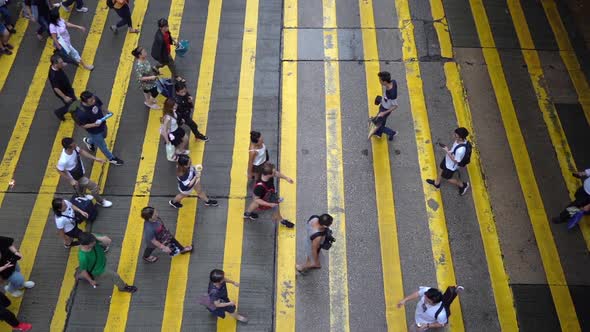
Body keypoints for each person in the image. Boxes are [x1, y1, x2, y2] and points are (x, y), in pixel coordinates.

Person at [56, 137, 113, 206]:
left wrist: (96, 159)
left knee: (79, 187)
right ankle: (100, 201)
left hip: (80, 171)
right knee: (94, 187)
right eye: (74, 145)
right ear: (69, 148)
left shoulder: (74, 149)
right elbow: (59, 170)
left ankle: (82, 196)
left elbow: (81, 151)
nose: (76, 145)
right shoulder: (63, 160)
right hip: (76, 176)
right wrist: (71, 180)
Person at [73, 91, 124, 165]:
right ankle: (111, 158)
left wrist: (107, 111)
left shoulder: (94, 99)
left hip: (102, 123)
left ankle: (89, 141)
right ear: (84, 102)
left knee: (104, 135)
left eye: (93, 99)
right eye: (91, 101)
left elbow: (100, 105)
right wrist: (94, 125)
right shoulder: (81, 113)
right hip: (94, 131)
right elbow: (83, 125)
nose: (94, 101)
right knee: (103, 146)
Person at [243, 163, 294, 228]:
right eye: (274, 172)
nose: (276, 173)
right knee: (273, 207)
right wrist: (269, 204)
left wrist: (286, 178)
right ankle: (282, 220)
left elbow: (276, 174)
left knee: (255, 204)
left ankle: (247, 214)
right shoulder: (259, 187)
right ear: (269, 174)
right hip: (265, 198)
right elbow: (256, 199)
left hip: (269, 194)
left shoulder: (265, 174)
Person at [425, 127, 470, 196]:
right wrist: (448, 152)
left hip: (450, 166)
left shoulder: (460, 151)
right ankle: (437, 183)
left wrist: (447, 151)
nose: (453, 136)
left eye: (456, 136)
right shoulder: (460, 140)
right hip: (447, 159)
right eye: (455, 134)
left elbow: (456, 161)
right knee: (441, 168)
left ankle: (463, 185)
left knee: (448, 178)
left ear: (461, 138)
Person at [151, 18, 184, 82]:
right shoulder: (160, 38)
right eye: (165, 27)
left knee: (163, 63)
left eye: (167, 25)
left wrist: (174, 41)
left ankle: (155, 67)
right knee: (171, 64)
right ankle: (176, 76)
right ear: (161, 28)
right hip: (164, 54)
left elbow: (169, 35)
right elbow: (159, 51)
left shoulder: (166, 31)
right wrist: (164, 57)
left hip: (166, 51)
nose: (167, 27)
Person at [369, 71, 398, 141]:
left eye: (380, 80)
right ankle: (379, 134)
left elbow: (395, 106)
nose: (379, 81)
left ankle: (392, 133)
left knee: (377, 124)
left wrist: (383, 113)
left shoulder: (392, 94)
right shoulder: (393, 82)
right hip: (384, 105)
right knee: (382, 121)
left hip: (385, 109)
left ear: (385, 82)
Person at [49, 54, 76, 121]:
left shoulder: (56, 67)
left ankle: (72, 113)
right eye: (61, 63)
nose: (62, 63)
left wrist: (63, 64)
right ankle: (59, 112)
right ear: (55, 64)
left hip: (68, 88)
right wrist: (65, 97)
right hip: (64, 92)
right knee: (72, 104)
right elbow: (56, 88)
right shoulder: (54, 76)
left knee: (73, 103)